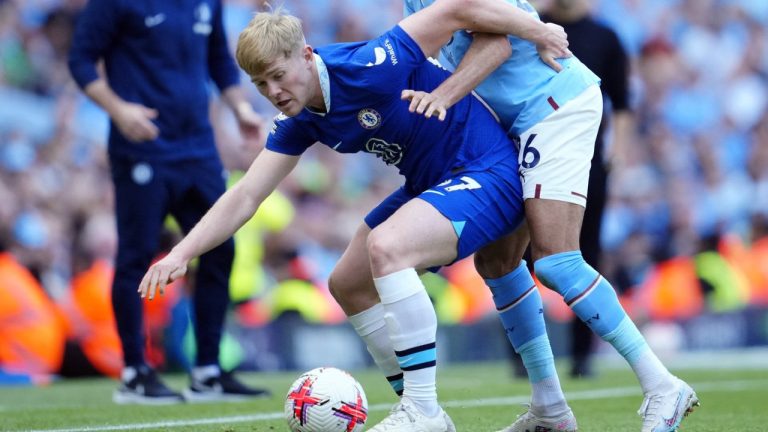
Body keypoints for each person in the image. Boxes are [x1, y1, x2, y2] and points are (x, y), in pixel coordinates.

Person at [137, 2, 572, 431]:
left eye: (278, 75)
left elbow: (458, 8)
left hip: (486, 169)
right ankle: (424, 414)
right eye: (260, 83)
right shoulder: (301, 116)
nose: (272, 91)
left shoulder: (370, 63)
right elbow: (247, 195)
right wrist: (181, 253)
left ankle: (423, 410)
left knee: (388, 247)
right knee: (348, 283)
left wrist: (538, 30)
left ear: (306, 55)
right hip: (434, 182)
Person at [330, 0, 699, 431]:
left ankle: (662, 386)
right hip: (508, 124)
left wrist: (443, 97)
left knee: (556, 260)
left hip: (552, 105)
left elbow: (496, 46)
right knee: (497, 262)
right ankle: (550, 409)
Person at [68, 0, 270, 404]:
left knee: (220, 248)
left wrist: (240, 109)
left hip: (198, 148)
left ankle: (208, 371)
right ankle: (135, 372)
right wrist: (118, 109)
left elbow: (218, 59)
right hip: (142, 147)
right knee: (136, 255)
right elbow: (81, 60)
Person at [539, 0, 634, 379]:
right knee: (515, 255)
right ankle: (525, 354)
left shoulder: (605, 37)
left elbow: (623, 102)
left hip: (587, 163)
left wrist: (618, 152)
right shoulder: (533, 26)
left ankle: (582, 354)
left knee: (586, 255)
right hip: (530, 157)